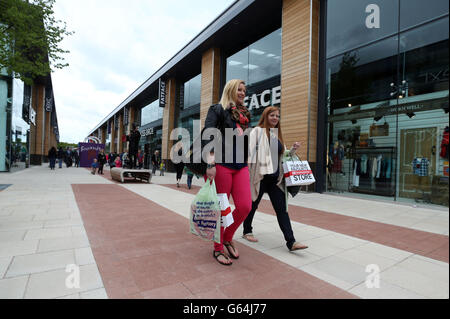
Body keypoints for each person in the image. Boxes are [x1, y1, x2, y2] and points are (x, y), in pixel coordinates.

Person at [242, 106, 308, 251]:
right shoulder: (257, 131)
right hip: (260, 177)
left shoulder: (276, 134)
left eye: (277, 116)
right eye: (272, 115)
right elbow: (249, 152)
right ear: (266, 116)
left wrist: (292, 150)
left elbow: (282, 156)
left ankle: (291, 242)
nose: (275, 118)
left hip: (275, 179)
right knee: (252, 205)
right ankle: (247, 230)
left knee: (282, 209)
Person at [204, 79, 252, 266]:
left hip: (241, 165)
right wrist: (210, 163)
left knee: (245, 206)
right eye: (239, 89)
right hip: (222, 165)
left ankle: (227, 236)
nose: (242, 93)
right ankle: (217, 249)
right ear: (231, 90)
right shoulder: (217, 109)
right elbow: (208, 135)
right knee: (222, 210)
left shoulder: (244, 114)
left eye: (244, 90)